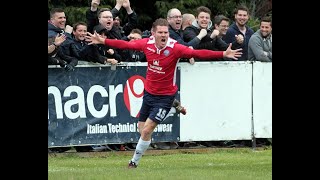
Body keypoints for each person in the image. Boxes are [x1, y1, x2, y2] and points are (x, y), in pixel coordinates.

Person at [86, 18, 242, 168]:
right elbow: (125, 44)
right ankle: (175, 105)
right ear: (153, 33)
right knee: (142, 131)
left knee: (147, 130)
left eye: (166, 33)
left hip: (165, 97)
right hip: (149, 94)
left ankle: (134, 162)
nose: (164, 35)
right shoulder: (147, 44)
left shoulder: (175, 48)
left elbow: (198, 53)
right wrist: (103, 41)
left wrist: (222, 54)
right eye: (160, 32)